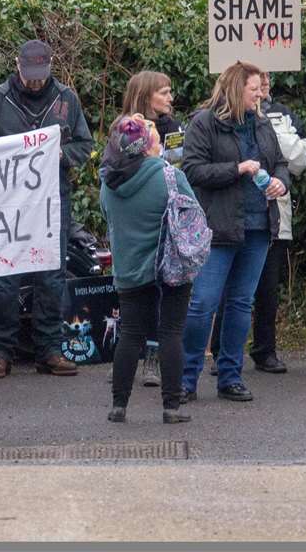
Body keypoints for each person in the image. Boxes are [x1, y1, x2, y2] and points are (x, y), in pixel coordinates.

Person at [0, 40, 95, 379]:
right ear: (17, 65)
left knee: (51, 277)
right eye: (30, 75)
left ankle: (50, 350)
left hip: (52, 201)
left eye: (41, 76)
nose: (35, 82)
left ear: (50, 66)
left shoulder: (66, 99)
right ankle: (0, 351)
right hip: (7, 204)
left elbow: (85, 144)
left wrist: (62, 156)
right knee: (5, 278)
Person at [179, 62, 289, 402]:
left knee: (242, 304)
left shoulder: (261, 123)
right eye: (254, 88)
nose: (260, 93)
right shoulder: (204, 123)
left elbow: (280, 162)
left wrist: (280, 182)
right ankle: (186, 377)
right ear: (234, 88)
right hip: (218, 227)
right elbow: (193, 170)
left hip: (258, 227)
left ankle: (230, 375)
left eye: (260, 88)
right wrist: (237, 168)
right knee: (203, 304)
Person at [99, 115, 197, 424]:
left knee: (129, 333)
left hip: (128, 268)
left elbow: (107, 217)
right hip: (170, 265)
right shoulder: (169, 177)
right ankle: (171, 407)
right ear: (148, 145)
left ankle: (119, 405)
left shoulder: (109, 183)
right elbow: (192, 214)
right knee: (170, 332)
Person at [118, 71, 180, 387]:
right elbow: (113, 173)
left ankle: (153, 362)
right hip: (136, 222)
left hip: (168, 222)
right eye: (165, 93)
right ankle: (126, 363)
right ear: (146, 95)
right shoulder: (125, 128)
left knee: (162, 297)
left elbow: (183, 168)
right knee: (134, 302)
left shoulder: (175, 127)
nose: (170, 98)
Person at [249, 75, 306, 374]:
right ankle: (223, 353)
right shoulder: (216, 117)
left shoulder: (283, 114)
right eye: (255, 79)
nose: (263, 84)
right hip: (234, 216)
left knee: (268, 288)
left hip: (275, 213)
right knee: (230, 289)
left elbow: (297, 160)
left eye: (267, 78)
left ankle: (265, 350)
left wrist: (272, 124)